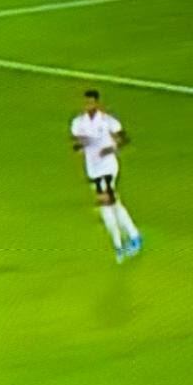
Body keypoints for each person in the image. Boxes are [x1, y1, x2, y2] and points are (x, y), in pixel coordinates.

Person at [70, 90, 142, 263]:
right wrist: (80, 145)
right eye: (86, 102)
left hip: (108, 166)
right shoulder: (78, 123)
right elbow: (75, 143)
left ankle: (121, 245)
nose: (88, 105)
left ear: (97, 103)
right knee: (112, 203)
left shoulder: (108, 121)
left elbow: (124, 138)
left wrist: (112, 148)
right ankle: (133, 237)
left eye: (91, 102)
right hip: (92, 168)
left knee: (106, 201)